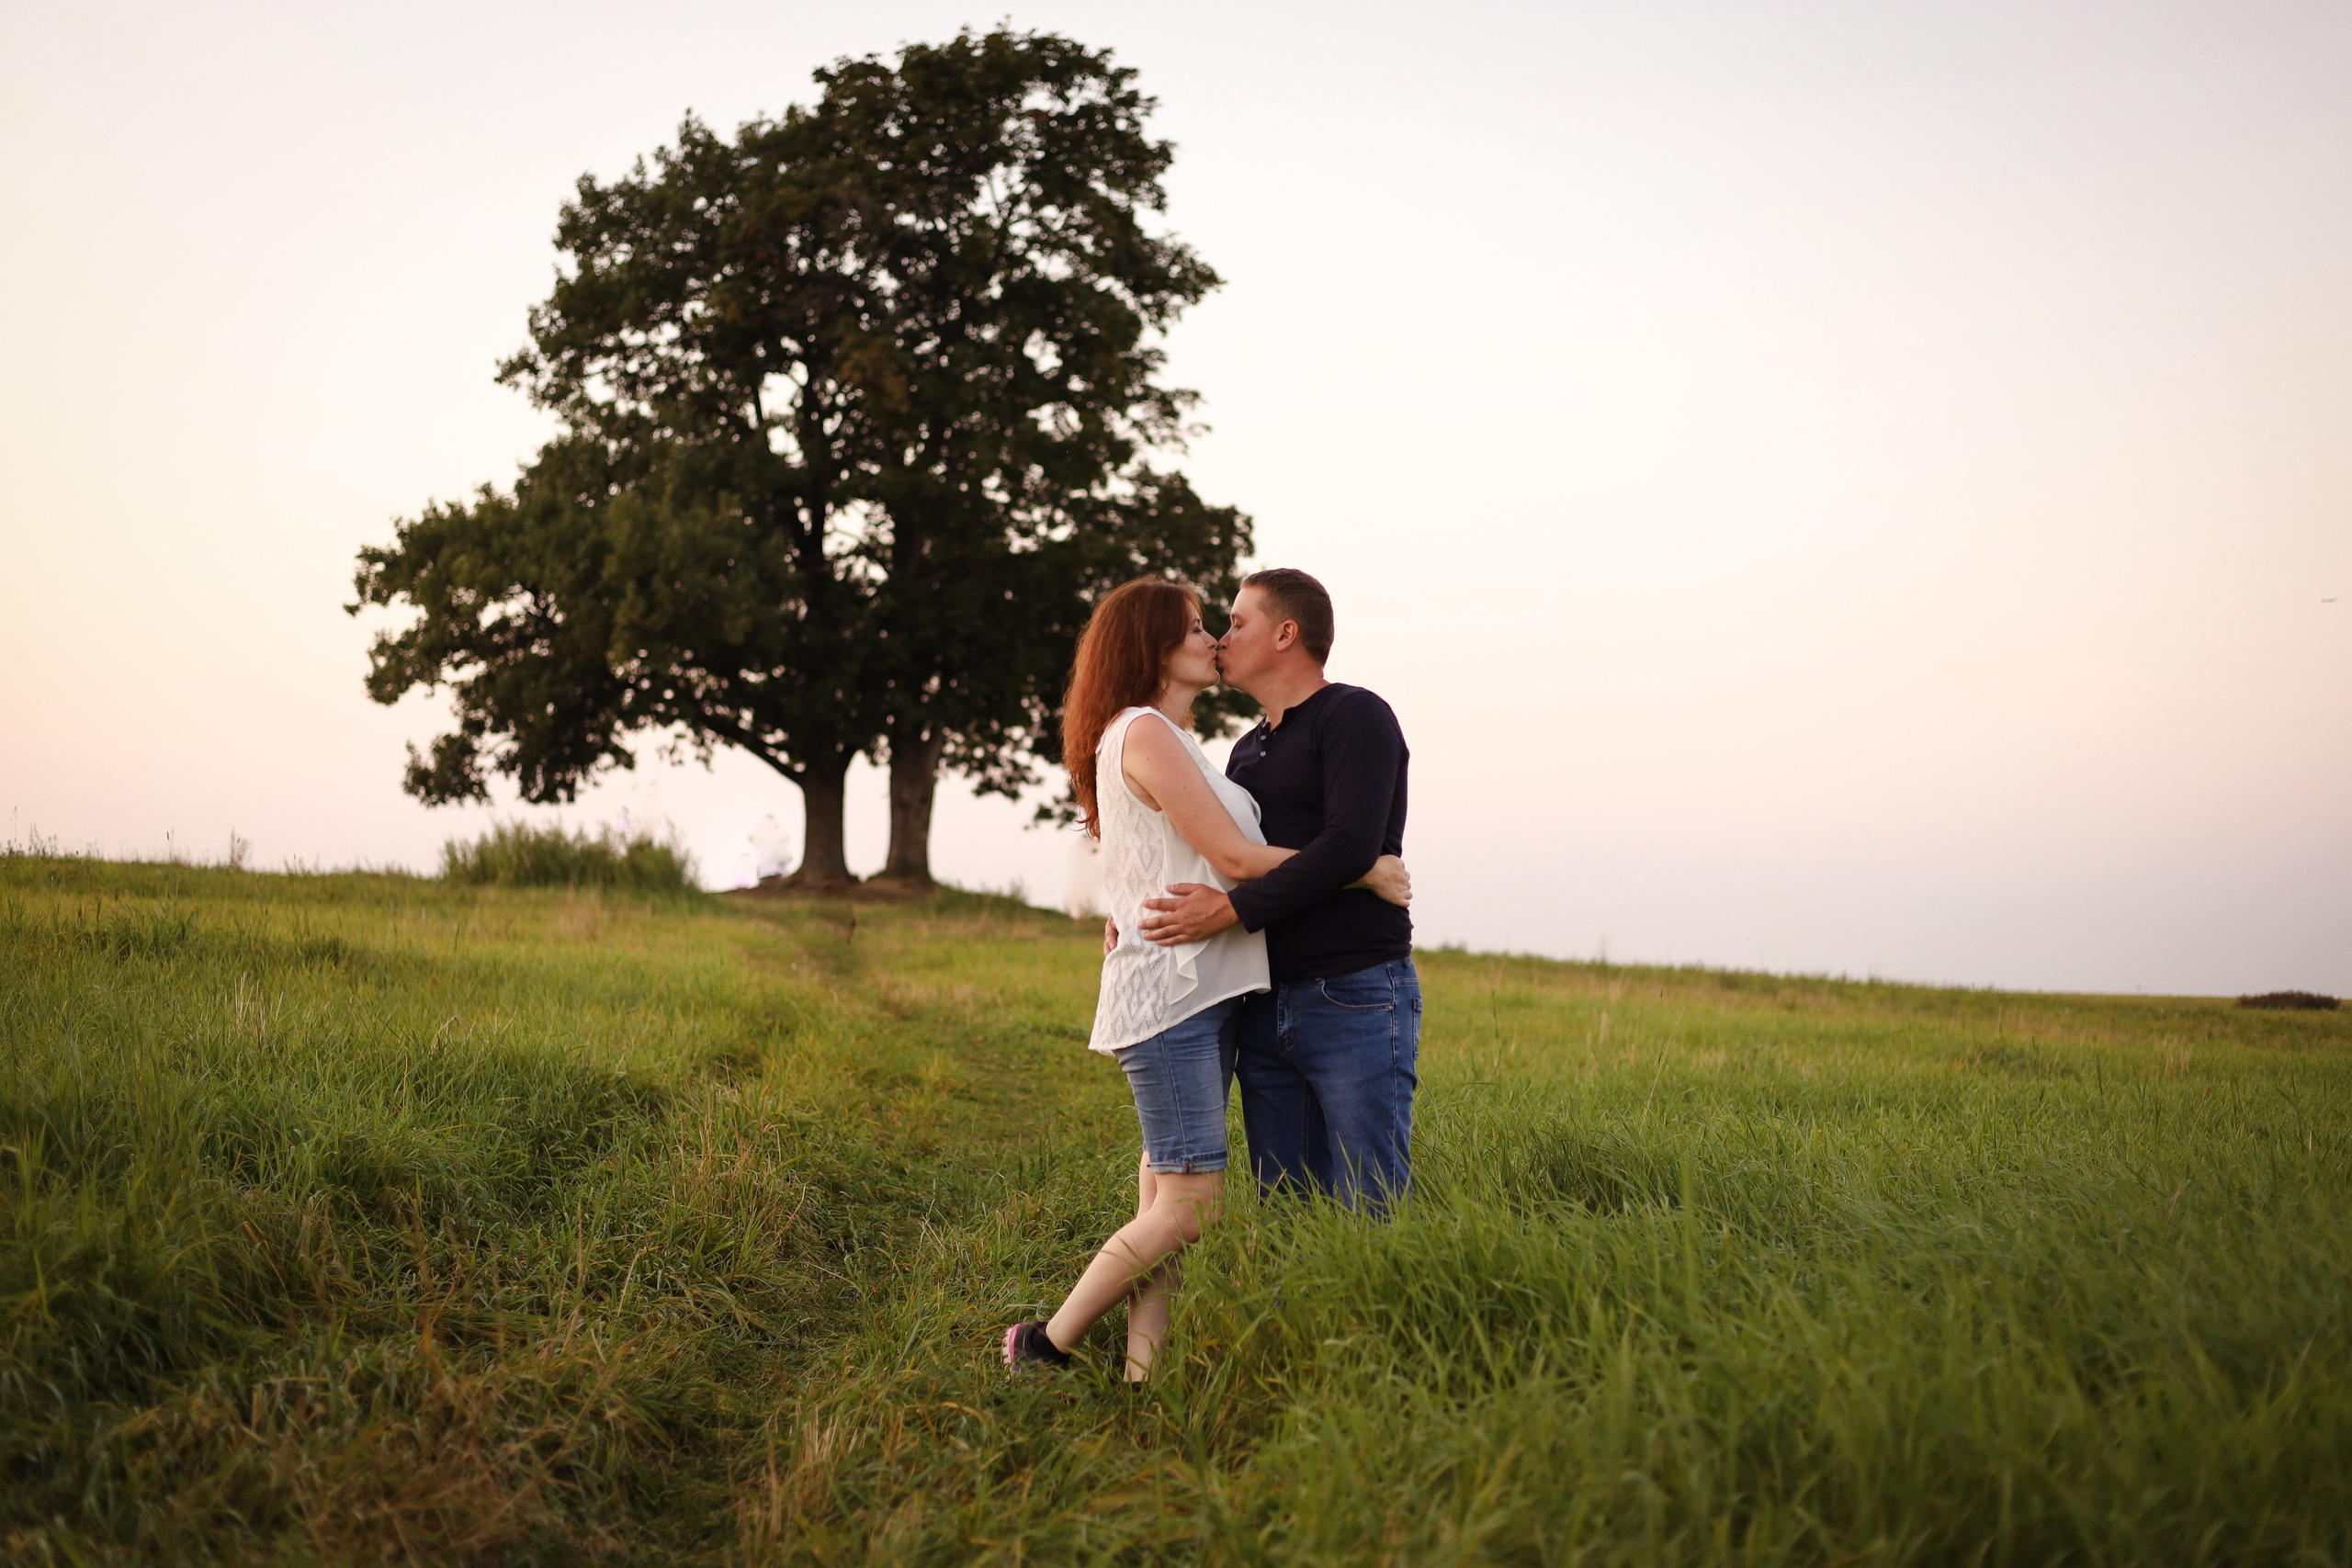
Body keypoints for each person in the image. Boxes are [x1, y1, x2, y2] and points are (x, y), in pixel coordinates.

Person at [1001, 578, 1410, 1380]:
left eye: (1224, 622)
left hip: (1224, 989)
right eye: (1198, 627)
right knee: (1195, 1204)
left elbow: (1165, 849)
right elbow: (1228, 857)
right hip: (1178, 992)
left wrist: (1131, 897)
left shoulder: (1203, 739)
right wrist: (1364, 869)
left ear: (1286, 634)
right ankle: (1045, 1342)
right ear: (1152, 645)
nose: (1214, 638)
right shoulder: (1158, 733)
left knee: (1169, 1198)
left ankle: (1143, 1374)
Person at [1138, 569, 1419, 1213]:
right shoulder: (1246, 751)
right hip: (1263, 997)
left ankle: (1380, 1288)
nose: (1221, 638)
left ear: (1286, 633)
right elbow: (1213, 850)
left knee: (1369, 1198)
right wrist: (1129, 907)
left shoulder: (1354, 714)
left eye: (1238, 623)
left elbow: (1350, 845)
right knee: (1285, 1205)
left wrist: (1231, 911)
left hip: (1353, 989)